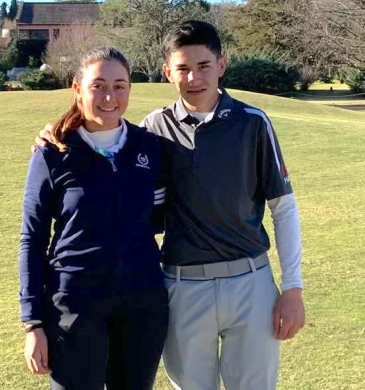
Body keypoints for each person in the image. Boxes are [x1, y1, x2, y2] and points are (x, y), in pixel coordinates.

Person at [36, 21, 306, 390]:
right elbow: (111, 159)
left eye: (204, 66)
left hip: (250, 283)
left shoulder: (253, 123)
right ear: (167, 73)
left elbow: (284, 208)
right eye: (182, 68)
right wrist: (56, 134)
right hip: (182, 286)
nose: (194, 77)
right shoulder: (152, 132)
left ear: (222, 65)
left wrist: (293, 288)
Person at [18, 46, 169, 390]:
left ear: (130, 89)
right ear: (77, 89)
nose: (109, 96)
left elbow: (158, 219)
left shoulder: (149, 147)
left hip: (141, 305)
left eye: (119, 86)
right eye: (98, 85)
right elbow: (32, 238)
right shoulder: (53, 152)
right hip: (74, 305)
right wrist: (32, 323)